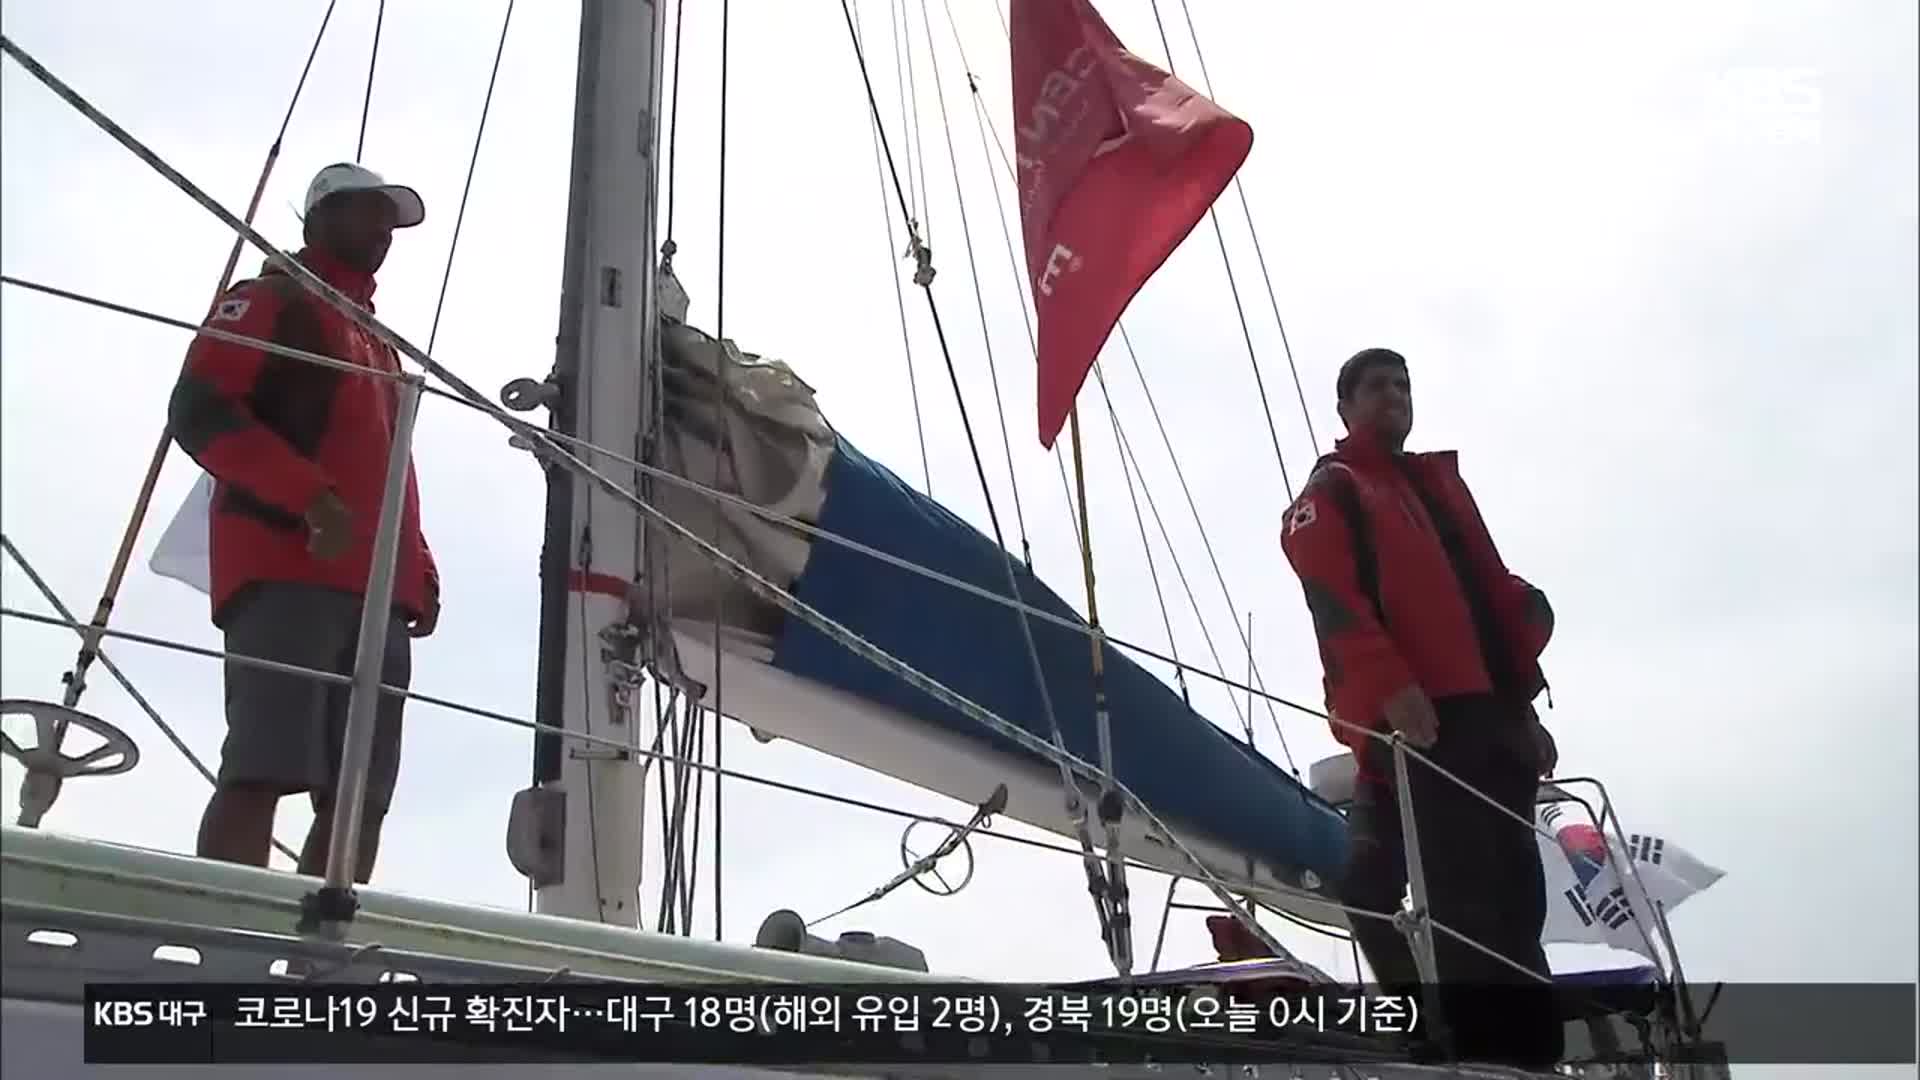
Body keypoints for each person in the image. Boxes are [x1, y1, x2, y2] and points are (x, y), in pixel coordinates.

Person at [1280, 347, 1562, 1066]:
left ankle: (1524, 1055)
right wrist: (1389, 684)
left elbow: (1488, 596)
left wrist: (1526, 707)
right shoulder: (1341, 487)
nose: (1394, 395)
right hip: (1415, 721)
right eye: (1376, 387)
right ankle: (1448, 1040)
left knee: (1509, 897)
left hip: (1483, 719)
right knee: (1419, 892)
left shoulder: (1436, 491)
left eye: (1402, 385)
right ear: (1345, 409)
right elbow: (1329, 591)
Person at [167, 162, 437, 885]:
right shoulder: (274, 301)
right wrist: (307, 498)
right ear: (318, 219)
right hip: (289, 567)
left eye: (390, 221)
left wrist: (418, 568)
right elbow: (200, 409)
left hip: (377, 590)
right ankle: (227, 950)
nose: (382, 232)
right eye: (366, 213)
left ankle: (319, 966)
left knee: (363, 796)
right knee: (264, 763)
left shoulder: (376, 339)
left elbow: (383, 465)